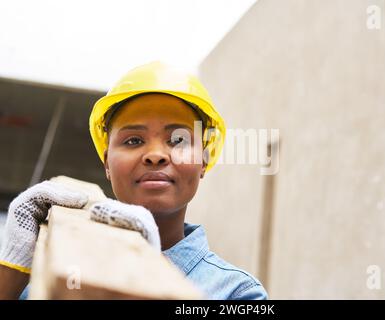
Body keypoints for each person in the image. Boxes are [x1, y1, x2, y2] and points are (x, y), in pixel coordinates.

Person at [0, 61, 268, 300]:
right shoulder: (50, 265)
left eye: (178, 140)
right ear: (107, 163)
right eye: (133, 140)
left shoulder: (238, 293)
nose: (155, 155)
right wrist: (13, 265)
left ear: (203, 161)